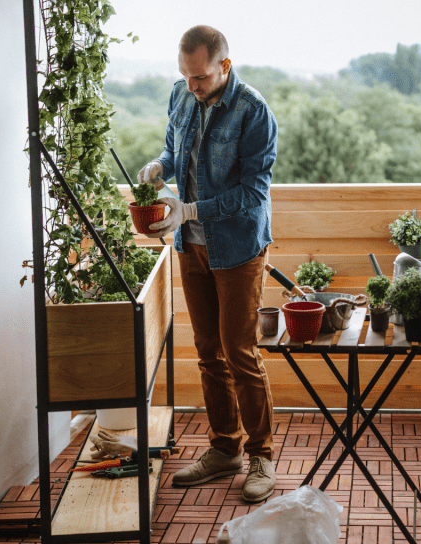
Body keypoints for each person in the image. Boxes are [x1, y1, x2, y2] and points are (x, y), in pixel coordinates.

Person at [137, 25, 278, 503]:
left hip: (237, 248)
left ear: (225, 66)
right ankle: (225, 449)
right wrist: (159, 167)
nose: (192, 86)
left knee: (239, 350)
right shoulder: (181, 95)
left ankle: (261, 455)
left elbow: (254, 192)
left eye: (200, 78)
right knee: (206, 350)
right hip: (190, 246)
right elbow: (176, 154)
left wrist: (191, 210)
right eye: (186, 76)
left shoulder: (254, 112)